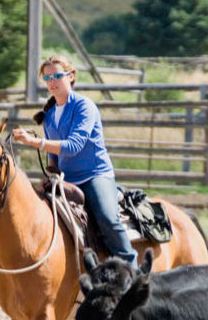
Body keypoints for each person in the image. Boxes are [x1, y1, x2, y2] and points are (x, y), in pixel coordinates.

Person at [12, 55, 138, 268]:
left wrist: (35, 142)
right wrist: (51, 175)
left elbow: (73, 146)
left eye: (57, 76)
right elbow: (54, 155)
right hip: (67, 179)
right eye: (47, 77)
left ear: (70, 77)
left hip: (95, 175)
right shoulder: (50, 114)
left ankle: (133, 269)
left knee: (108, 219)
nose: (52, 81)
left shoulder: (84, 107)